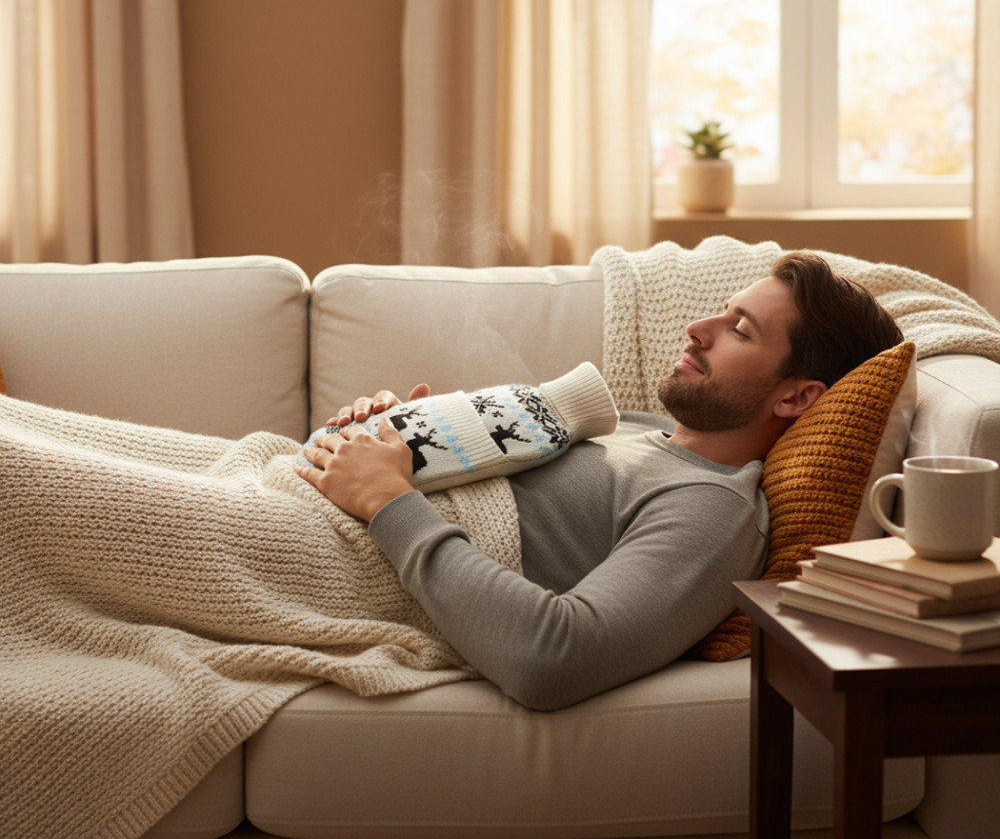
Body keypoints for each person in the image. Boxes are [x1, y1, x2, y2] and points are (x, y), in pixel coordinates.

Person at [295, 251, 904, 710]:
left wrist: (389, 499)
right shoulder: (627, 429)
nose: (699, 326)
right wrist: (397, 439)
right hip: (278, 477)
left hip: (307, 547)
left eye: (740, 330)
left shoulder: (713, 508)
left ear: (798, 397)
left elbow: (553, 659)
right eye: (722, 312)